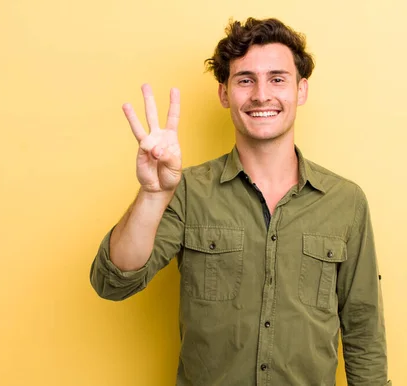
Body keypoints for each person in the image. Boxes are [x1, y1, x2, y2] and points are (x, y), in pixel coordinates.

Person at [90, 17, 391, 386]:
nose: (261, 94)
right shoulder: (187, 190)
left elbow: (363, 328)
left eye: (277, 79)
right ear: (224, 93)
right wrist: (153, 195)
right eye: (245, 79)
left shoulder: (346, 202)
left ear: (301, 90)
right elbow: (113, 283)